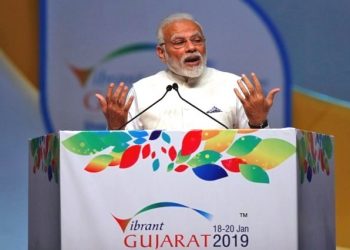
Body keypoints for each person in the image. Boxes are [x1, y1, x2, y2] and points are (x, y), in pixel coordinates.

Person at [95, 13, 280, 130]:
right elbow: (122, 157)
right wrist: (116, 128)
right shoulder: (142, 90)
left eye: (197, 40)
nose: (191, 47)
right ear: (161, 52)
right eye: (179, 42)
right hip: (158, 188)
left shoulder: (233, 86)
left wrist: (258, 122)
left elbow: (259, 153)